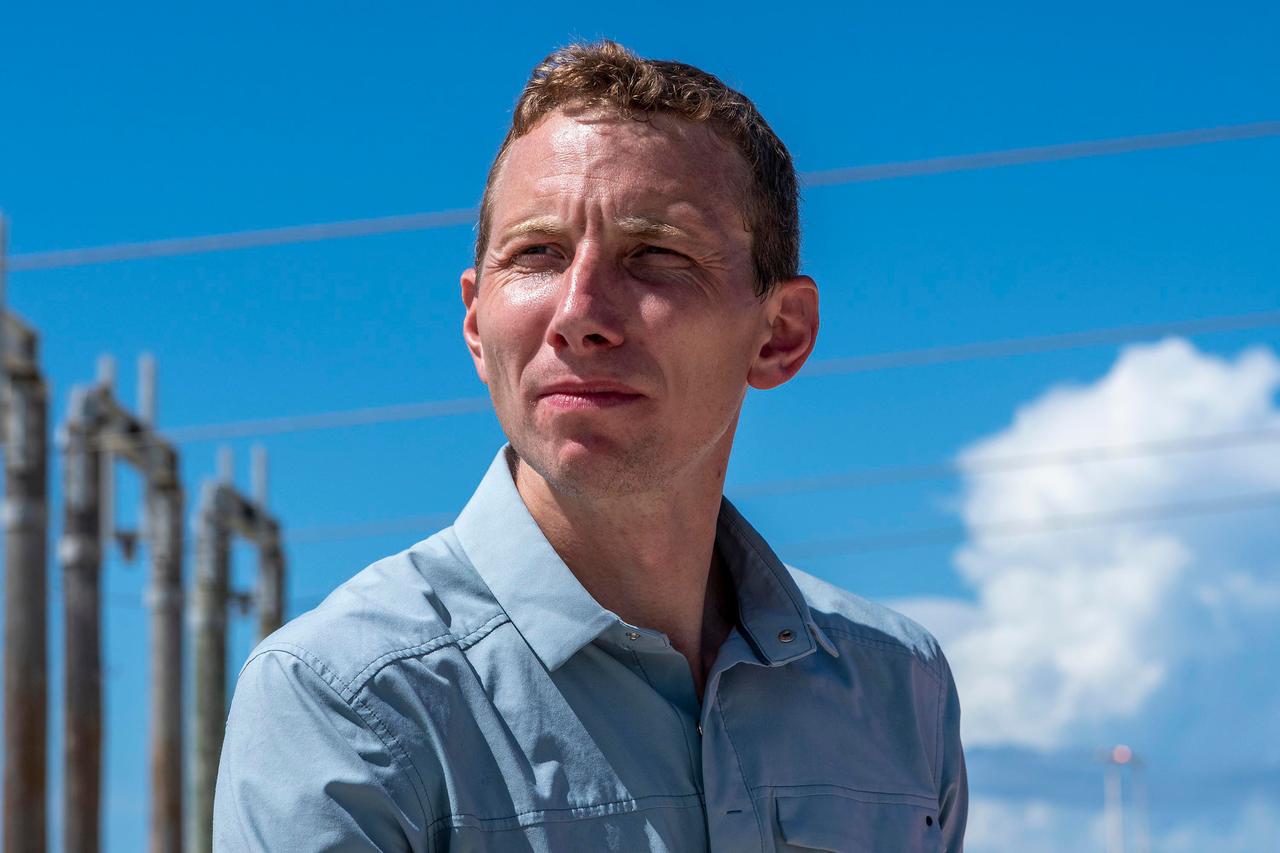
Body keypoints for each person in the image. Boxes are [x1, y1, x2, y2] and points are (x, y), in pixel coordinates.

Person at [213, 40, 967, 852]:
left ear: (780, 335)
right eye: (536, 253)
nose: (579, 311)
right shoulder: (348, 702)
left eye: (658, 256)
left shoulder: (898, 685)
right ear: (476, 322)